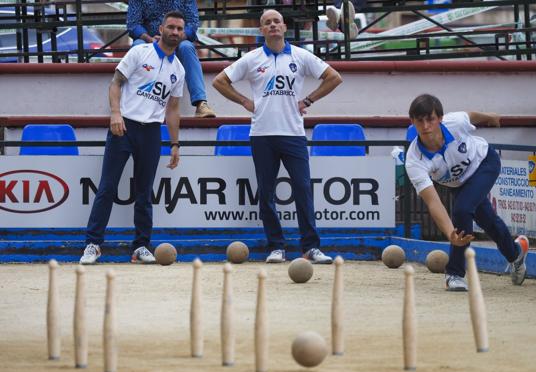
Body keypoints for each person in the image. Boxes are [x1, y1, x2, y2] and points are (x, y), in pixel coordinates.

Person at [212, 9, 342, 264]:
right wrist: (243, 101)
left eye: (276, 22)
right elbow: (219, 81)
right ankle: (276, 247)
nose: (272, 26)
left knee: (303, 190)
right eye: (267, 23)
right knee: (267, 193)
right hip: (262, 134)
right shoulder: (252, 58)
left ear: (284, 27)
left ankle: (311, 248)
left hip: (293, 133)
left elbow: (334, 77)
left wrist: (308, 100)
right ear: (261, 30)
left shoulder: (301, 56)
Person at [80, 11, 186, 264]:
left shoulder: (179, 70)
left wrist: (174, 144)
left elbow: (172, 109)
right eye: (170, 27)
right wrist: (115, 113)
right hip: (124, 127)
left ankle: (141, 246)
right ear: (161, 28)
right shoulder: (140, 53)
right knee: (107, 187)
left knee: (144, 192)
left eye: (179, 29)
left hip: (151, 132)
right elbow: (115, 83)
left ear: (183, 33)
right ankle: (93, 244)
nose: (175, 32)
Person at [404, 94, 529, 291]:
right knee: (487, 220)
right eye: (420, 121)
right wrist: (450, 233)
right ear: (412, 122)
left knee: (462, 210)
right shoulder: (414, 160)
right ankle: (515, 253)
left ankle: (454, 274)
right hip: (459, 183)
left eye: (431, 119)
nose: (426, 126)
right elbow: (433, 201)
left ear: (440, 119)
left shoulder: (455, 123)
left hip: (484, 163)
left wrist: (490, 117)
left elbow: (470, 116)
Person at [127, 1, 216, 118]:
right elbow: (133, 25)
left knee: (187, 47)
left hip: (177, 40)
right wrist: (151, 40)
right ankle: (131, 100)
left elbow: (192, 24)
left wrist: (175, 38)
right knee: (138, 45)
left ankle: (201, 103)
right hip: (149, 41)